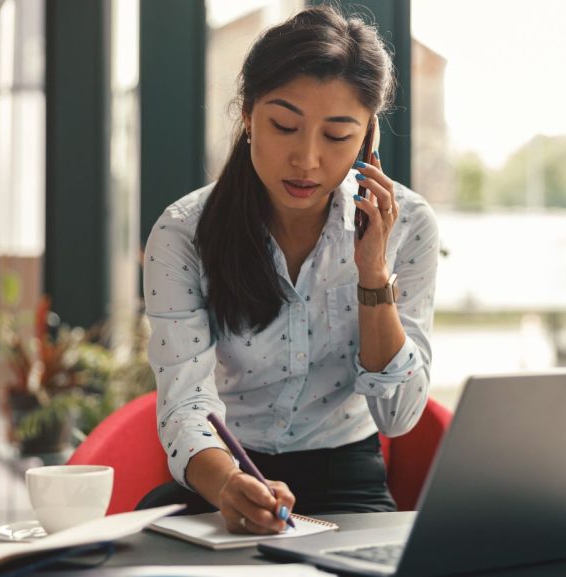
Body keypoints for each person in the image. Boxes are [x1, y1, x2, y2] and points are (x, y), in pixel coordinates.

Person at [137, 6, 439, 536]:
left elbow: (399, 417)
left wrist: (372, 273)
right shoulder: (183, 232)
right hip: (222, 472)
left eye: (337, 136)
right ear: (248, 115)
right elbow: (185, 403)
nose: (306, 159)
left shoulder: (409, 225)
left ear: (369, 141)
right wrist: (230, 483)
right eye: (284, 125)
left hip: (348, 478)